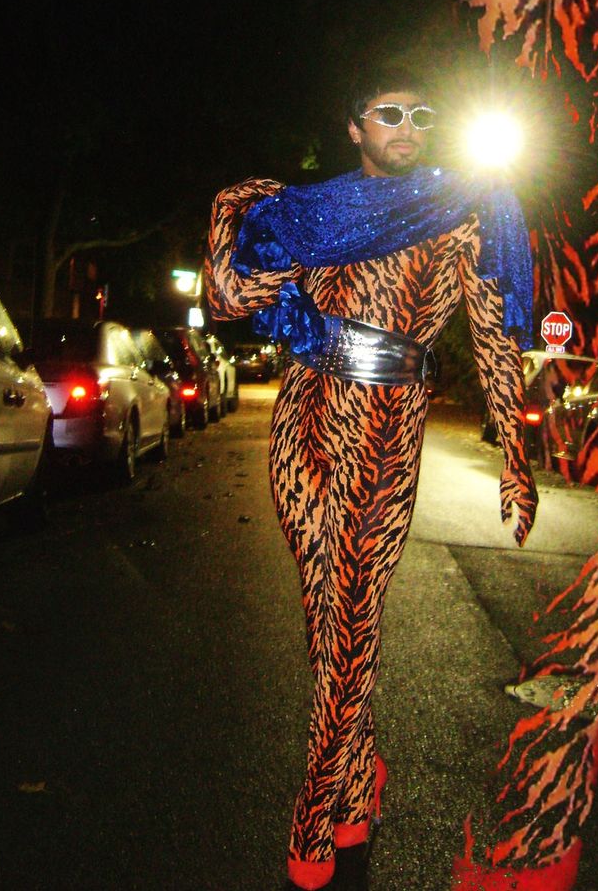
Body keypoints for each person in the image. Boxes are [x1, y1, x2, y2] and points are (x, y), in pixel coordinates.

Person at [204, 63, 538, 891]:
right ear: (355, 127)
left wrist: (516, 454)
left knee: (352, 618)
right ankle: (359, 778)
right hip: (302, 412)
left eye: (422, 116)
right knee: (327, 618)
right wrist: (257, 241)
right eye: (390, 114)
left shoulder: (464, 209)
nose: (408, 129)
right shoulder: (311, 213)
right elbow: (229, 297)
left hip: (386, 422)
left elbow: (493, 338)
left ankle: (316, 809)